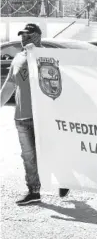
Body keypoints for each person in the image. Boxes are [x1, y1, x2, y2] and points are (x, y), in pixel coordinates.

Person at [0, 23, 71, 205]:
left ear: (38, 36)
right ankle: (33, 192)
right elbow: (9, 86)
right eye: (22, 35)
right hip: (22, 116)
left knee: (51, 152)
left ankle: (64, 178)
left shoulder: (49, 57)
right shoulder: (17, 58)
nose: (24, 38)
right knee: (28, 156)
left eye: (28, 34)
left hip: (45, 116)